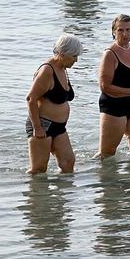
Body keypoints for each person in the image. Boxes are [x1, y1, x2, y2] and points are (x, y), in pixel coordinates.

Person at [25, 33, 83, 174]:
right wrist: (37, 127)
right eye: (74, 56)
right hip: (43, 125)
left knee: (68, 163)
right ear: (62, 53)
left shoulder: (63, 68)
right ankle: (33, 195)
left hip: (59, 127)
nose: (76, 60)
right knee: (38, 169)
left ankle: (60, 196)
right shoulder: (47, 70)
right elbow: (31, 99)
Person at [97, 14, 130, 159]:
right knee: (107, 154)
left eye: (128, 30)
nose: (125, 34)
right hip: (114, 105)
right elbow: (104, 86)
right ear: (113, 32)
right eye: (120, 30)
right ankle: (97, 177)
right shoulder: (110, 54)